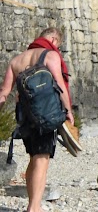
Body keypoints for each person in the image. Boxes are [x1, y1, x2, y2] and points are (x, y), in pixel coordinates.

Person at [0, 27, 73, 212]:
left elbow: (4, 94)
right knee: (42, 158)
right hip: (46, 114)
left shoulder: (16, 60)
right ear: (54, 39)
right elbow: (60, 84)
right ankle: (34, 208)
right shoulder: (50, 55)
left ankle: (33, 204)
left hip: (25, 116)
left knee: (34, 157)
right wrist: (68, 110)